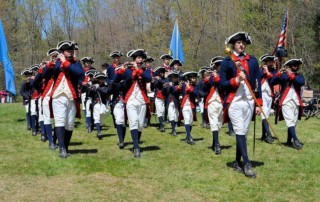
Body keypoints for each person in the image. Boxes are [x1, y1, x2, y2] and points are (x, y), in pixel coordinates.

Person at [220, 32, 262, 178]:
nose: (241, 45)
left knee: (243, 132)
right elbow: (222, 85)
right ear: (233, 45)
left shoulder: (253, 61)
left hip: (250, 101)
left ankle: (237, 162)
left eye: (243, 43)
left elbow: (258, 82)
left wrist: (259, 103)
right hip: (234, 102)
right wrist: (236, 80)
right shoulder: (227, 62)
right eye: (238, 43)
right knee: (239, 130)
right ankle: (247, 163)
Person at [42, 40, 85, 158]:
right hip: (58, 96)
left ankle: (65, 146)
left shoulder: (76, 63)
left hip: (71, 96)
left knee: (69, 124)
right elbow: (44, 75)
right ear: (62, 52)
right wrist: (51, 64)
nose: (70, 52)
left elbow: (80, 74)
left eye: (71, 50)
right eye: (67, 50)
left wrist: (65, 62)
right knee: (60, 121)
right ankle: (61, 148)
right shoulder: (56, 63)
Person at [116, 49, 152, 158]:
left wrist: (138, 70)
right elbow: (115, 79)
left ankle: (136, 143)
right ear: (134, 59)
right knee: (134, 121)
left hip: (142, 99)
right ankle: (136, 147)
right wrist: (122, 69)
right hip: (130, 99)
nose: (140, 59)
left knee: (140, 124)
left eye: (141, 58)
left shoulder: (145, 70)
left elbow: (149, 78)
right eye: (138, 58)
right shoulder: (127, 70)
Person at [271, 58, 305, 149]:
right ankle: (296, 140)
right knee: (289, 120)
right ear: (289, 66)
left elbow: (300, 82)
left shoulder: (299, 76)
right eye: (294, 65)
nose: (296, 67)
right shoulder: (284, 75)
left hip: (296, 101)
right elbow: (272, 82)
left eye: (297, 65)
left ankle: (289, 141)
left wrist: (291, 75)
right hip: (286, 101)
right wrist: (278, 73)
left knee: (294, 121)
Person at [204, 56, 224, 154]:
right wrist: (211, 76)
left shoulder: (224, 75)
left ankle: (214, 141)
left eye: (220, 65)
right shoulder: (211, 76)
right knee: (213, 122)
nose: (219, 66)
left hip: (221, 101)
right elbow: (209, 83)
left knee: (219, 124)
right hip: (212, 101)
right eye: (217, 65)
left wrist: (216, 76)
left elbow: (222, 84)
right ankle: (217, 145)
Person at [259, 54, 276, 144]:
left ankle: (263, 135)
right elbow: (258, 77)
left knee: (266, 115)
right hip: (262, 94)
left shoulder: (273, 71)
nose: (270, 63)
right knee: (264, 114)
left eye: (271, 61)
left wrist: (268, 72)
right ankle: (268, 134)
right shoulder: (260, 70)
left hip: (269, 95)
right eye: (268, 61)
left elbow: (273, 80)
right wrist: (264, 70)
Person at [179, 71, 198, 145]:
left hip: (192, 105)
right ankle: (189, 137)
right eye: (193, 78)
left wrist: (189, 87)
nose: (194, 79)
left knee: (190, 122)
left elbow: (195, 93)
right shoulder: (183, 85)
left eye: (194, 78)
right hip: (185, 105)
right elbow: (179, 88)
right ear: (189, 79)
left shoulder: (196, 86)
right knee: (186, 119)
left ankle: (187, 136)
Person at [88, 72, 109, 140]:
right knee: (97, 118)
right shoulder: (93, 86)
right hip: (95, 104)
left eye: (102, 78)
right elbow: (90, 94)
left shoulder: (105, 86)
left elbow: (106, 92)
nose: (101, 80)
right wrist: (91, 88)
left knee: (101, 119)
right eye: (99, 78)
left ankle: (99, 130)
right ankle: (99, 132)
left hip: (102, 104)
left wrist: (98, 88)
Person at [151, 66, 168, 132]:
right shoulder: (155, 79)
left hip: (164, 96)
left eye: (163, 72)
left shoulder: (165, 79)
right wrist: (152, 83)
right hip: (158, 96)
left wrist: (159, 79)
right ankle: (161, 126)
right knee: (159, 111)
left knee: (163, 111)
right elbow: (152, 88)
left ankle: (161, 123)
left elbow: (164, 84)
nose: (163, 74)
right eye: (161, 72)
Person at [164, 72, 181, 136]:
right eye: (173, 78)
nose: (174, 79)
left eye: (176, 78)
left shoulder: (178, 85)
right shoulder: (169, 84)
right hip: (169, 102)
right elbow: (164, 93)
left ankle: (174, 128)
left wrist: (172, 86)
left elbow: (176, 91)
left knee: (176, 115)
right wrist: (164, 87)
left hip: (175, 102)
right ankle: (173, 130)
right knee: (171, 115)